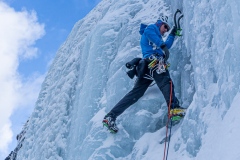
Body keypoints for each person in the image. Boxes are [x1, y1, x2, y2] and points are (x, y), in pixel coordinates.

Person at [103, 15, 185, 133]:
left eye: (167, 29)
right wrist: (162, 45)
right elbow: (152, 35)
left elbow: (165, 46)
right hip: (152, 63)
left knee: (135, 94)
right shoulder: (151, 28)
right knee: (166, 82)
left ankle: (110, 116)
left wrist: (172, 34)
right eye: (165, 27)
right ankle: (173, 108)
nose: (165, 30)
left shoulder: (156, 40)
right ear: (160, 23)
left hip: (146, 69)